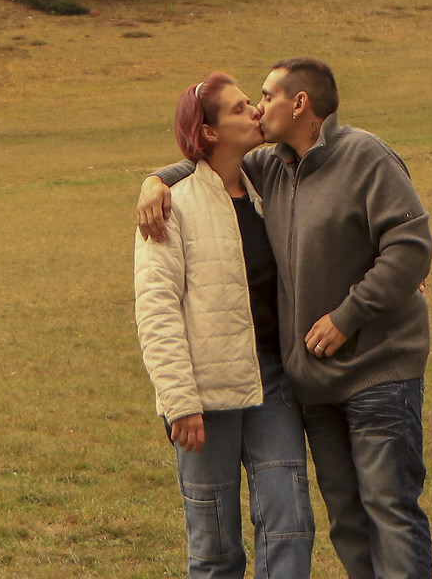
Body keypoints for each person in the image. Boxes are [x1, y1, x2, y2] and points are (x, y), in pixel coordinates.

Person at [139, 57, 432, 579]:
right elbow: (205, 170)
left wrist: (357, 307)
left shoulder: (331, 161)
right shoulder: (243, 179)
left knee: (344, 521)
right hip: (264, 389)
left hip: (332, 377)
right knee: (306, 528)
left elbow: (409, 243)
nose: (256, 108)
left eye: (263, 97)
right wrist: (155, 180)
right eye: (243, 105)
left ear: (300, 104)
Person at [134, 72, 316, 579]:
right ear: (209, 132)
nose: (255, 112)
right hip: (203, 397)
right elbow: (156, 308)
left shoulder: (271, 183)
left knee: (290, 527)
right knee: (214, 551)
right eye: (239, 109)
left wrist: (397, 265)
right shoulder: (171, 206)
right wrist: (179, 402)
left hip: (272, 381)